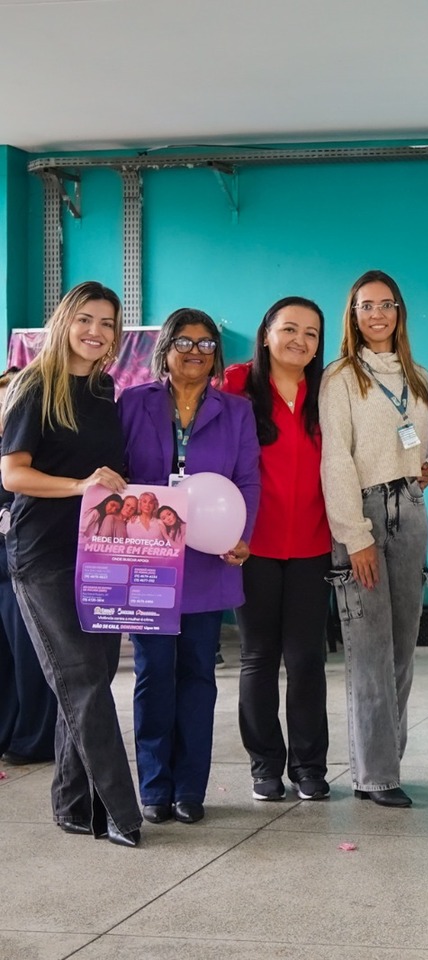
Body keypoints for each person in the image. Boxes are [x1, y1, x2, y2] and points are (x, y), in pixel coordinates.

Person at [0, 281, 141, 846]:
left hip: (99, 552)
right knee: (82, 680)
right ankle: (121, 811)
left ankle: (70, 804)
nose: (95, 331)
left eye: (107, 323)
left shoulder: (106, 390)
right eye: (85, 319)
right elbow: (13, 473)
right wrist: (80, 485)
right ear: (64, 322)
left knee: (88, 678)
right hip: (43, 556)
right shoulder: (37, 384)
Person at [119, 307, 260, 826]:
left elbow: (248, 479)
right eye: (184, 341)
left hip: (208, 558)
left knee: (199, 673)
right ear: (165, 348)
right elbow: (118, 474)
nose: (195, 351)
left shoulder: (236, 411)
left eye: (206, 344)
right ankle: (154, 787)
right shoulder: (133, 403)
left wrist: (242, 535)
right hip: (148, 560)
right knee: (154, 673)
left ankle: (189, 789)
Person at [320, 269, 428, 809]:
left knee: (403, 647)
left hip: (410, 507)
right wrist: (354, 534)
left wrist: (419, 466)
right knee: (369, 649)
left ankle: (389, 762)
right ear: (353, 314)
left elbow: (423, 441)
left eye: (387, 304)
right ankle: (374, 775)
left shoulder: (418, 376)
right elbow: (336, 459)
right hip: (361, 513)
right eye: (366, 305)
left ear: (399, 312)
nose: (377, 314)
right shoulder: (341, 376)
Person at [222, 296, 333, 803]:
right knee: (259, 656)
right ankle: (265, 764)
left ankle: (309, 766)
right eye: (289, 328)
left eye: (311, 333)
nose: (299, 340)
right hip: (252, 546)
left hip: (313, 543)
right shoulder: (237, 384)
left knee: (307, 658)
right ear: (266, 333)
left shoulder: (327, 390)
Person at [0, 366, 58, 769]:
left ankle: (35, 738)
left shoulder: (38, 448)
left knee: (31, 655)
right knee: (5, 658)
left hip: (24, 559)